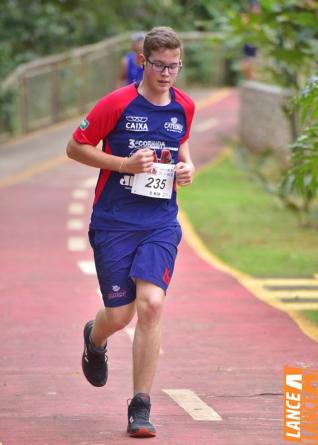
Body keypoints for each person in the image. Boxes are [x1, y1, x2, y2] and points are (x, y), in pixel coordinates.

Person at [66, 26, 195, 438]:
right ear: (143, 61)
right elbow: (76, 146)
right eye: (159, 65)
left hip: (159, 222)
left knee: (152, 304)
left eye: (174, 66)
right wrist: (124, 164)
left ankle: (140, 406)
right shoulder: (118, 103)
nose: (167, 74)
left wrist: (187, 169)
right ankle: (95, 337)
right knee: (120, 316)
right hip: (114, 222)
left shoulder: (184, 107)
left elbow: (182, 152)